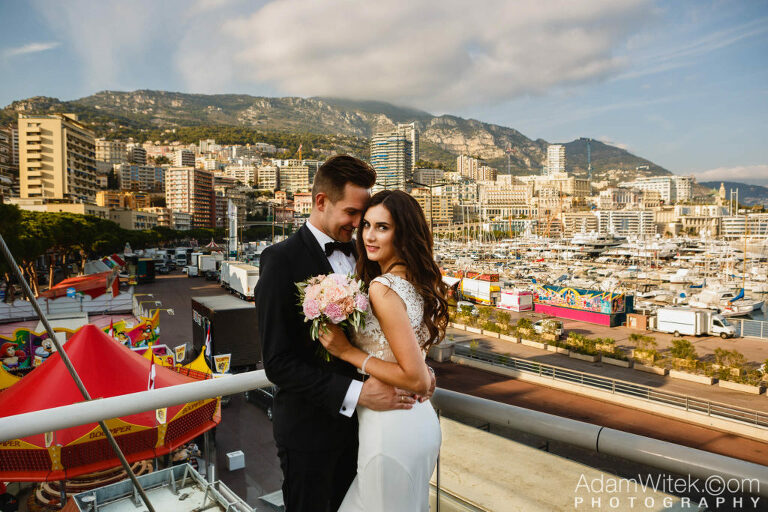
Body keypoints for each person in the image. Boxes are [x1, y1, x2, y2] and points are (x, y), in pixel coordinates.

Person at [255, 156, 428, 512]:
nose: (359, 225)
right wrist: (358, 393)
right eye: (352, 213)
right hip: (311, 434)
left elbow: (393, 329)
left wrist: (421, 371)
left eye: (363, 216)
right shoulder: (281, 260)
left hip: (369, 429)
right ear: (321, 201)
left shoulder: (368, 254)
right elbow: (278, 363)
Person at [319, 189, 449, 511]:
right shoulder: (416, 282)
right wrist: (424, 369)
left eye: (382, 227)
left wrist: (346, 351)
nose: (369, 236)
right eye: (366, 225)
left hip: (390, 429)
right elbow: (412, 357)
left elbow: (416, 380)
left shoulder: (383, 287)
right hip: (417, 421)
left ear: (403, 233)